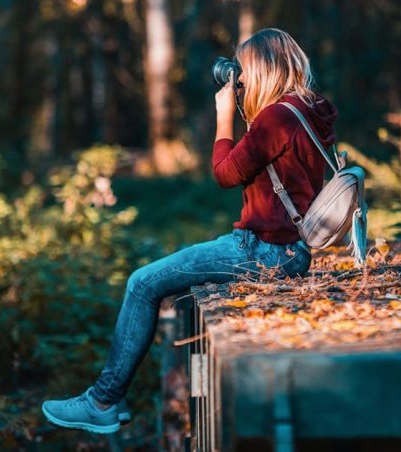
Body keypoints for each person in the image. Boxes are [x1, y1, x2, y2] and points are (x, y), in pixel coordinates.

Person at [41, 27, 337, 434]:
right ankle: (103, 399)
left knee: (142, 283)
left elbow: (225, 173)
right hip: (292, 250)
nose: (242, 79)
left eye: (245, 70)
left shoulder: (276, 118)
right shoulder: (310, 109)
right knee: (160, 278)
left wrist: (223, 117)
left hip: (263, 250)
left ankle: (102, 401)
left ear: (265, 68)